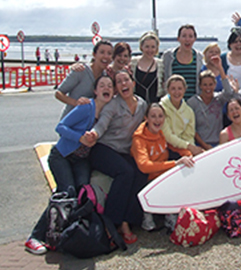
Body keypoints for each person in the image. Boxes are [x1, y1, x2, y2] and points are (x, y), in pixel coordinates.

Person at [24, 75, 115, 255]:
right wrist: (79, 137)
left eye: (110, 86)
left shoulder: (108, 113)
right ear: (95, 91)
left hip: (81, 160)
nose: (106, 88)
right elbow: (61, 127)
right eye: (102, 85)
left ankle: (61, 233)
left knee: (81, 193)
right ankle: (35, 237)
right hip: (62, 156)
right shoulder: (86, 107)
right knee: (66, 191)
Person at [87, 70, 148, 245]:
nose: (123, 84)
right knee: (126, 172)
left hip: (123, 152)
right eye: (119, 82)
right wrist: (93, 134)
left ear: (133, 84)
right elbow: (102, 124)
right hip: (103, 148)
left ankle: (128, 220)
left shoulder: (142, 104)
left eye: (126, 80)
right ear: (116, 88)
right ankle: (111, 222)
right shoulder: (113, 105)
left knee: (141, 172)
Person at [131, 103, 195, 231]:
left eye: (160, 116)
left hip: (163, 175)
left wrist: (187, 154)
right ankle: (147, 216)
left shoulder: (161, 133)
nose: (157, 120)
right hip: (146, 179)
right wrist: (175, 163)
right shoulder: (139, 139)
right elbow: (144, 166)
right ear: (146, 118)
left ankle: (170, 215)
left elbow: (173, 147)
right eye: (153, 116)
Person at [55, 40, 113, 119]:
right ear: (94, 54)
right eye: (102, 52)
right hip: (71, 122)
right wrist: (76, 103)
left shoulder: (105, 76)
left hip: (88, 123)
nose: (106, 56)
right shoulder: (81, 71)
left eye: (109, 53)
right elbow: (58, 93)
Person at [188, 59, 238, 150]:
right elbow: (191, 129)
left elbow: (229, 92)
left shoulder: (219, 99)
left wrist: (220, 69)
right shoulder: (193, 102)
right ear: (200, 86)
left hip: (219, 143)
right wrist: (204, 146)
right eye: (205, 85)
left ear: (215, 85)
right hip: (200, 145)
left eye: (211, 84)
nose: (208, 88)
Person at [160, 74, 204, 156]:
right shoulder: (161, 108)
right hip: (163, 148)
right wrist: (189, 146)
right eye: (173, 89)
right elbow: (167, 135)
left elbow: (189, 136)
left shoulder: (189, 111)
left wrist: (192, 149)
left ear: (185, 89)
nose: (176, 92)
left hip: (182, 149)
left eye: (180, 88)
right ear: (167, 90)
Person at [162, 24, 203, 100]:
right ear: (178, 38)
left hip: (193, 102)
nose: (187, 39)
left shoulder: (199, 57)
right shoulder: (168, 56)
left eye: (190, 36)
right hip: (173, 102)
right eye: (184, 36)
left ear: (194, 39)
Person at [130, 31, 165, 103]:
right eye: (147, 46)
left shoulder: (161, 64)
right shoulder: (133, 63)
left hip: (155, 106)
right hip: (137, 106)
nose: (150, 50)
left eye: (153, 47)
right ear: (141, 47)